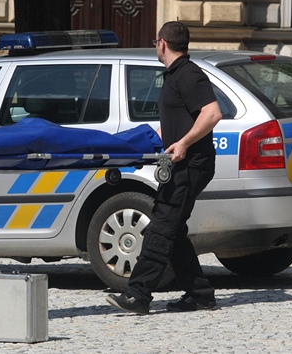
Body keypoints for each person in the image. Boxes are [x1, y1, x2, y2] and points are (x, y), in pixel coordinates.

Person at [106, 21, 223, 315]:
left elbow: (212, 114)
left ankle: (138, 294)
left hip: (191, 165)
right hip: (180, 165)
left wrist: (183, 143)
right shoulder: (174, 75)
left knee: (162, 225)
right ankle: (200, 293)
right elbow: (180, 119)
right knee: (172, 226)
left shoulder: (188, 74)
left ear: (161, 43)